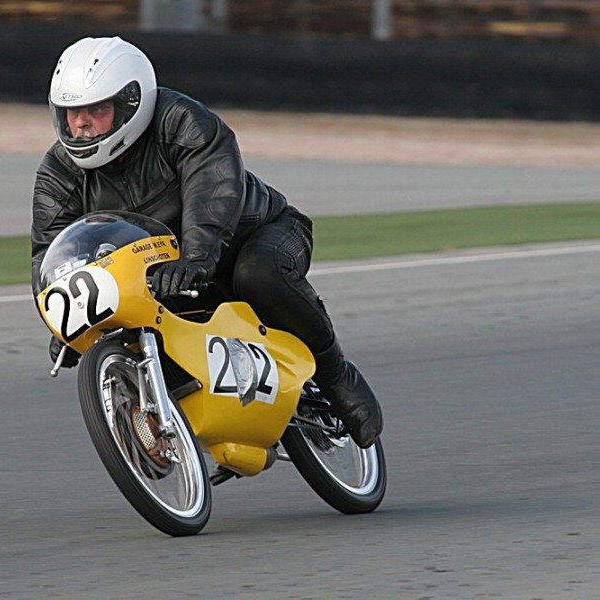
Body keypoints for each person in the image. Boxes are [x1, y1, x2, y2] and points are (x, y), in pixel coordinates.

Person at [31, 36, 382, 448]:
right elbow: (53, 253)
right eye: (71, 112)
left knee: (259, 274)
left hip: (256, 236)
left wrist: (197, 256)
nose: (81, 124)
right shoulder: (58, 172)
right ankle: (150, 431)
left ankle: (336, 375)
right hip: (164, 271)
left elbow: (212, 189)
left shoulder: (180, 120)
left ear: (131, 104)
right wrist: (66, 318)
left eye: (96, 110)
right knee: (124, 322)